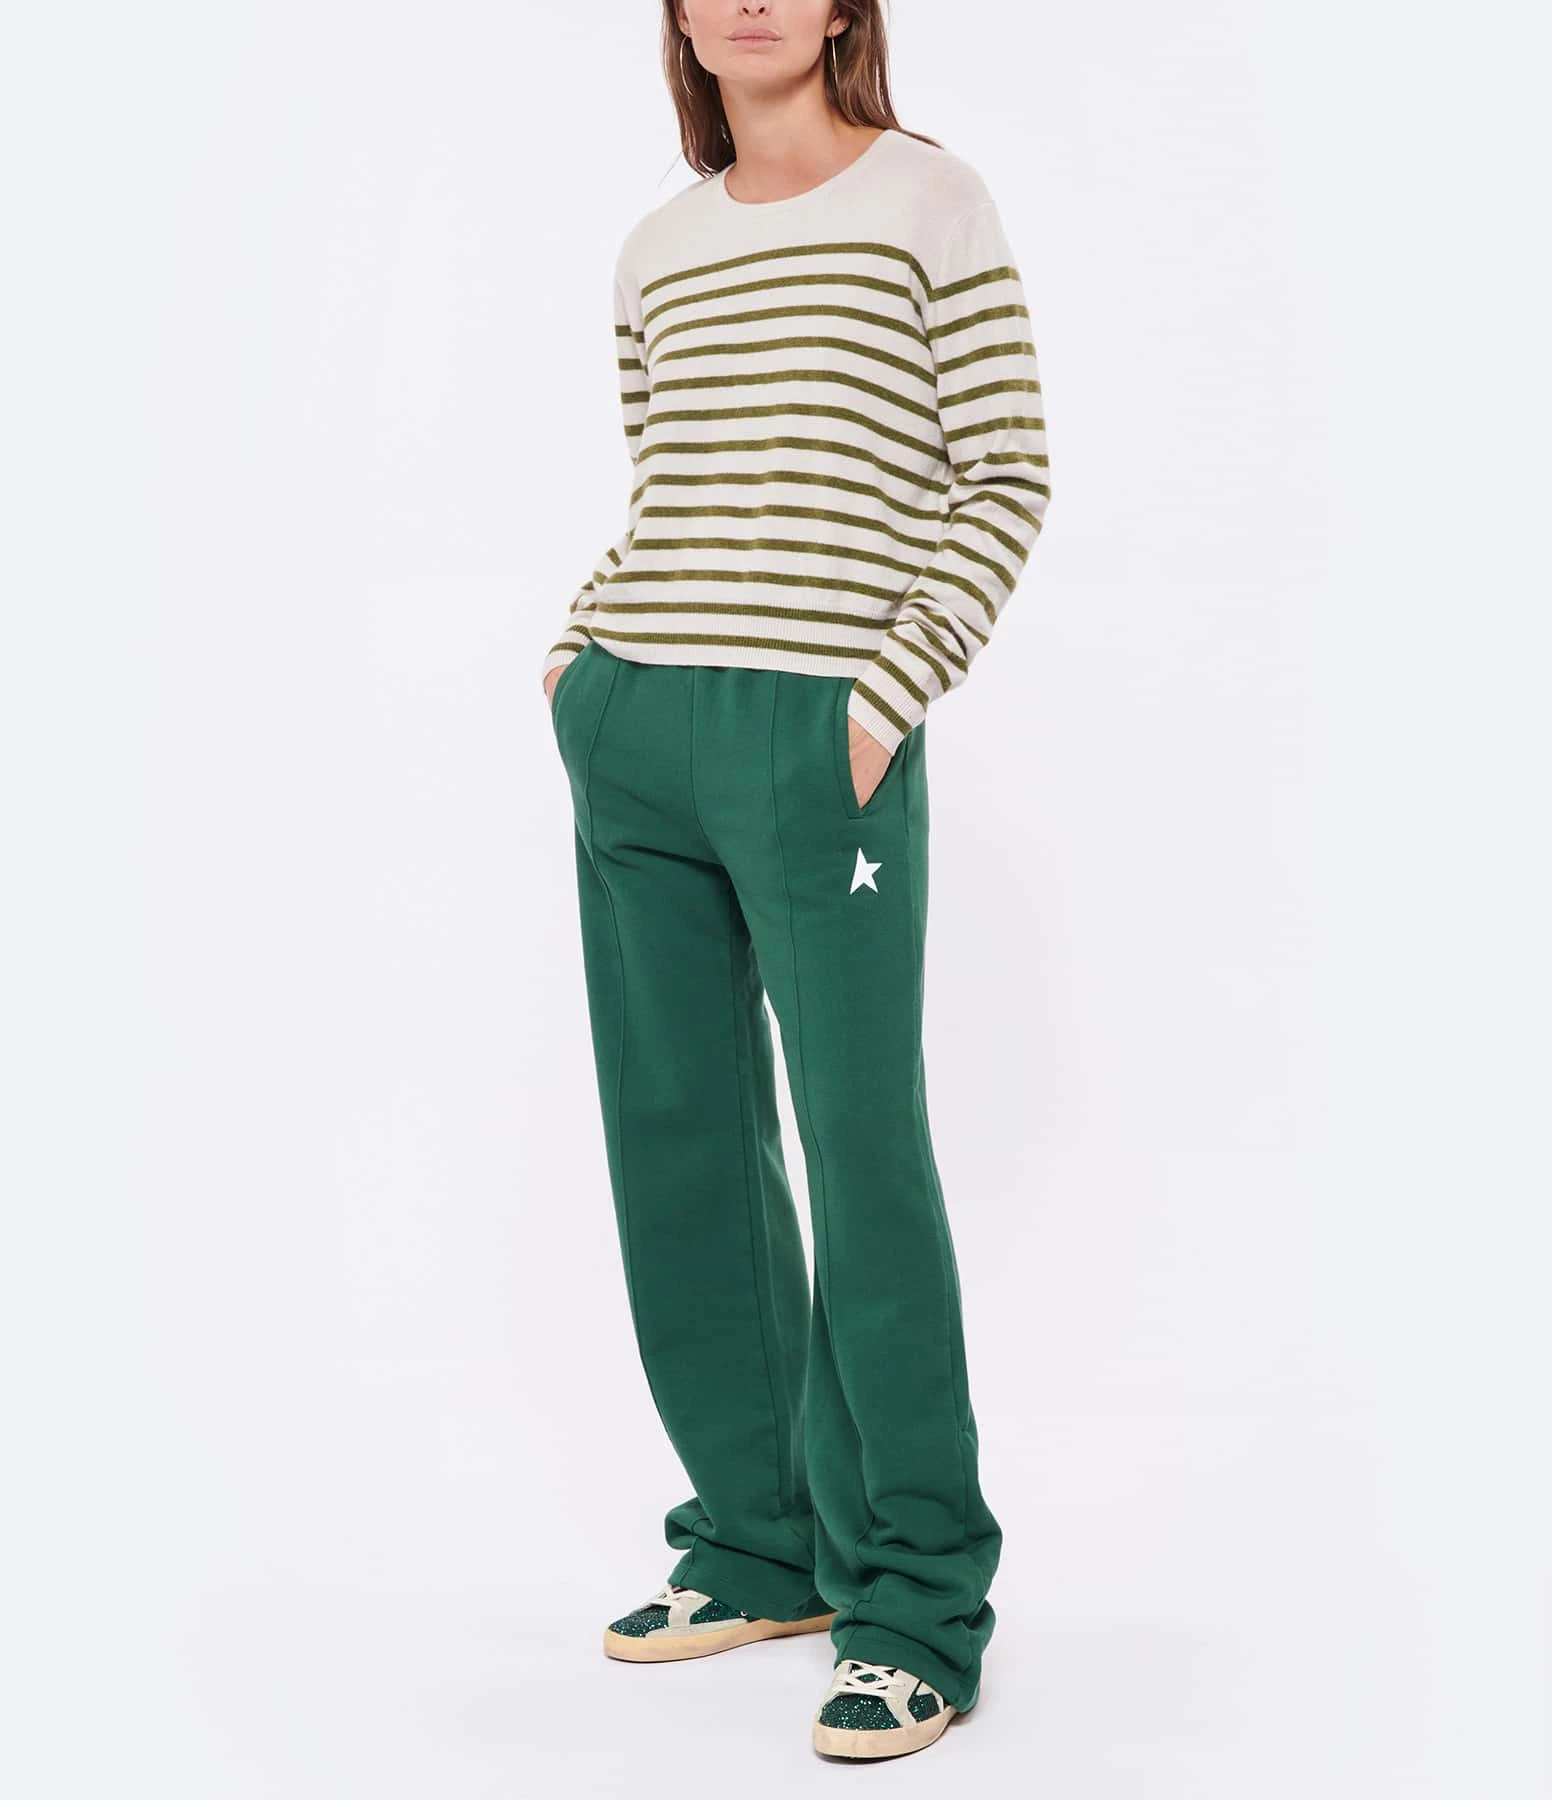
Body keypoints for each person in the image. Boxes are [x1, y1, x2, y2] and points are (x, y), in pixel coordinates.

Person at [540, 0, 1051, 1762]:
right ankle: (761, 1545)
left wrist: (883, 695)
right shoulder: (658, 246)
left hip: (817, 730)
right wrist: (581, 660)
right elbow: (673, 482)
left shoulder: (929, 200)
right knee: (678, 1135)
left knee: (860, 1148)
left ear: (843, 8)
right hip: (637, 718)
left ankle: (917, 1599)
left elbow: (1006, 474)